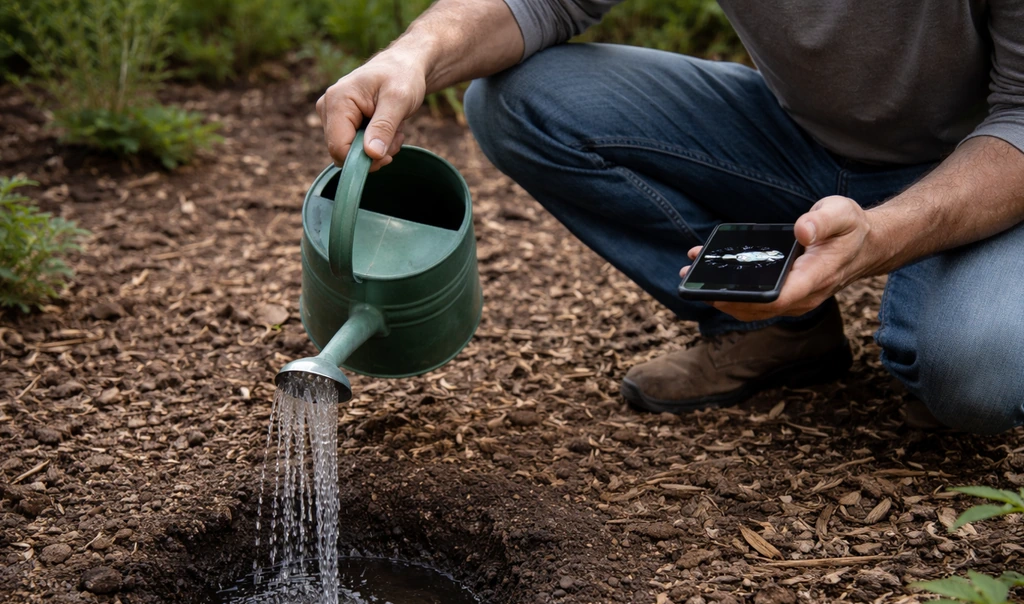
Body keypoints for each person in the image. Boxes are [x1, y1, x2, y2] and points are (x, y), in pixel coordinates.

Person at [315, 0, 1024, 435]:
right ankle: (779, 335)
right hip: (799, 140)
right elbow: (537, 2)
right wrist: (414, 54)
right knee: (520, 101)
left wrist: (880, 240)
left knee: (973, 378)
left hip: (976, 166)